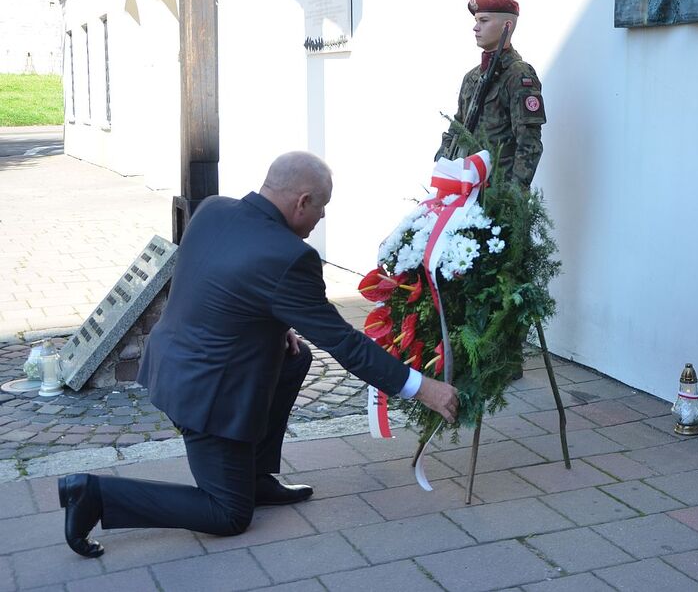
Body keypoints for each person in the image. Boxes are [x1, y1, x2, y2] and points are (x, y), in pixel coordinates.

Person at [57, 152, 459, 558]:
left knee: (293, 356)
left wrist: (274, 320)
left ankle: (254, 476)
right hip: (204, 394)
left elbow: (217, 280)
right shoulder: (289, 257)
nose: (321, 218)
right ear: (302, 201)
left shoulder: (214, 209)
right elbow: (344, 342)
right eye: (322, 207)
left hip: (172, 362)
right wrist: (421, 387)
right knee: (228, 514)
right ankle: (93, 494)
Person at [435, 0, 546, 189]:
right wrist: (443, 165)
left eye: (484, 20)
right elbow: (458, 127)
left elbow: (529, 143)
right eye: (476, 20)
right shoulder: (472, 78)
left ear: (507, 26)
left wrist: (513, 198)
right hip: (465, 188)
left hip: (498, 193)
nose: (475, 27)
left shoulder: (518, 75)